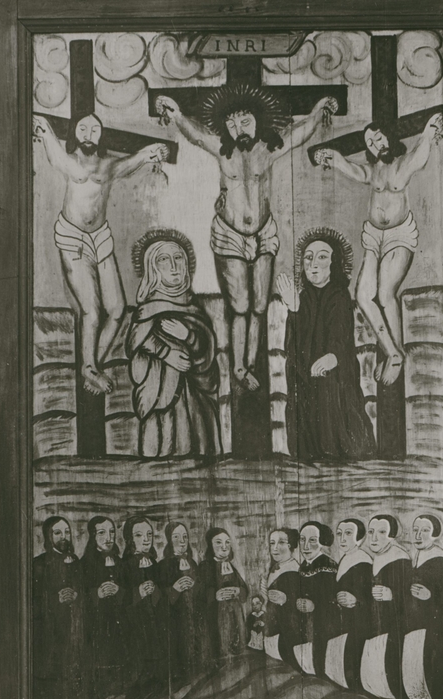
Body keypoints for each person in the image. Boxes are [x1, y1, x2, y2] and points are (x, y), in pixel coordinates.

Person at [156, 89, 337, 391]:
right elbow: (196, 134)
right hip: (230, 236)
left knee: (260, 305)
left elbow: (298, 134)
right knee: (240, 306)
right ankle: (239, 367)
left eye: (245, 121)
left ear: (257, 121)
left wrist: (318, 110)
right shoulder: (222, 150)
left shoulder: (269, 149)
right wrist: (175, 113)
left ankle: (250, 364)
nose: (239, 129)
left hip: (264, 233)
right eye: (232, 124)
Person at [33, 112, 168, 395]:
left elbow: (134, 161)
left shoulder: (109, 165)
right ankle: (90, 368)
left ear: (101, 134)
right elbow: (53, 151)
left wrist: (154, 152)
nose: (88, 134)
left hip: (100, 238)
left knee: (117, 309)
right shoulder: (68, 161)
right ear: (74, 133)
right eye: (82, 128)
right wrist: (44, 129)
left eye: (94, 129)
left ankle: (91, 367)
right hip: (73, 239)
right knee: (92, 313)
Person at [314, 110, 443, 386]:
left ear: (389, 136)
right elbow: (351, 168)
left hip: (399, 235)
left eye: (379, 137)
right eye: (370, 143)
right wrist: (331, 157)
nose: (376, 145)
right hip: (374, 237)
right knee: (363, 295)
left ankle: (395, 356)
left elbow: (420, 155)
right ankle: (393, 351)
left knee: (385, 293)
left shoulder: (402, 164)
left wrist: (429, 132)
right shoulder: (373, 171)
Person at [277, 229, 376, 462]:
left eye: (322, 257)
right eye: (308, 257)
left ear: (334, 263)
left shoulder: (339, 296)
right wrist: (294, 310)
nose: (313, 264)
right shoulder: (303, 298)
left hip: (335, 374)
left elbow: (341, 337)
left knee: (332, 392)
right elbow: (293, 346)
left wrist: (333, 356)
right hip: (307, 375)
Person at [127, 231, 221, 458]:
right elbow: (136, 341)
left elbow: (207, 345)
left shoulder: (193, 307)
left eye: (178, 258)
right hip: (160, 393)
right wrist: (167, 353)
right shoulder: (147, 309)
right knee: (164, 443)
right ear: (152, 268)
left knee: (197, 443)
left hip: (195, 392)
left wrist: (187, 335)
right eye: (163, 259)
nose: (174, 266)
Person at [32, 516, 83, 699]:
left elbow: (83, 590)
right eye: (58, 532)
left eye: (67, 532)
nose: (64, 537)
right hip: (49, 628)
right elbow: (32, 601)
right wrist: (55, 599)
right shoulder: (39, 564)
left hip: (72, 626)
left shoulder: (76, 562)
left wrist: (77, 595)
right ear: (48, 536)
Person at [402, 514, 443, 699]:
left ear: (435, 534)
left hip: (434, 626)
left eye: (424, 530)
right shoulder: (416, 557)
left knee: (430, 665)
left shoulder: (440, 560)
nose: (418, 535)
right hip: (416, 623)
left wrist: (430, 596)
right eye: (415, 530)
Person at [362, 514, 412, 699]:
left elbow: (410, 596)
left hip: (396, 623)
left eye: (381, 532)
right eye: (371, 532)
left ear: (392, 535)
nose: (374, 538)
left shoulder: (400, 558)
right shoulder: (376, 557)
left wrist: (393, 595)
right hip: (377, 622)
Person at [79, 514, 126, 699]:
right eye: (102, 533)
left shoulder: (120, 562)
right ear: (93, 536)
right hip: (96, 623)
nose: (108, 537)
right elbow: (79, 596)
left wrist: (119, 591)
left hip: (119, 621)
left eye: (112, 532)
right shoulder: (85, 564)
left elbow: (129, 591)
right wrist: (96, 593)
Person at [324, 517, 374, 692]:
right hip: (346, 619)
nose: (342, 538)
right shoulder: (345, 558)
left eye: (348, 533)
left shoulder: (364, 561)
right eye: (339, 534)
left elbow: (370, 597)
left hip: (360, 621)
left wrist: (357, 601)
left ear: (359, 538)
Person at [120, 513, 167, 699]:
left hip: (153, 616)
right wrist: (138, 592)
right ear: (130, 539)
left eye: (149, 535)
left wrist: (154, 590)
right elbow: (121, 597)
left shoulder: (154, 562)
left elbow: (161, 592)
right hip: (134, 620)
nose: (146, 540)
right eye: (139, 535)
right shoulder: (124, 565)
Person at [158, 521, 207, 687]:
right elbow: (159, 597)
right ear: (169, 540)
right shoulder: (164, 565)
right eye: (176, 537)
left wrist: (195, 587)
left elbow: (201, 589)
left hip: (193, 614)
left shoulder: (193, 563)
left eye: (185, 536)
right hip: (175, 618)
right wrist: (175, 589)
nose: (182, 541)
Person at [293, 521, 338, 677]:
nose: (306, 546)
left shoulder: (328, 564)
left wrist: (315, 605)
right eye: (302, 540)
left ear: (322, 541)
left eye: (312, 540)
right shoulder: (303, 565)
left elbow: (332, 598)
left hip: (325, 620)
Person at [200, 527, 248, 661]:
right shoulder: (205, 566)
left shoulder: (231, 566)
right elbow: (200, 593)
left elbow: (244, 589)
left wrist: (238, 591)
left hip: (235, 616)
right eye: (218, 542)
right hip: (216, 617)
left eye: (227, 542)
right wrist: (215, 596)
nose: (224, 547)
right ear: (210, 545)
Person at [262, 527, 301, 666]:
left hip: (289, 631)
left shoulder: (294, 570)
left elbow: (300, 602)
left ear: (291, 545)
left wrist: (286, 600)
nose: (275, 548)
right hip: (273, 630)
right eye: (272, 543)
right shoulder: (275, 568)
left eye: (281, 543)